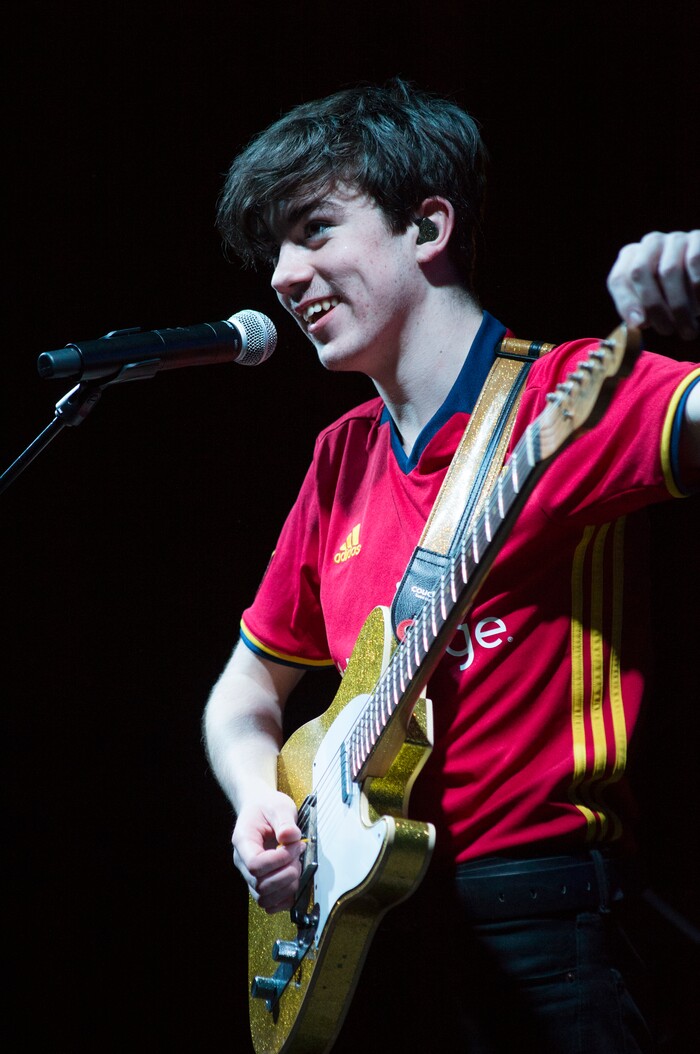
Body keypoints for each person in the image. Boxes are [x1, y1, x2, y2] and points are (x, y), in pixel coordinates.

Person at [203, 79, 699, 1053]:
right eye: (275, 252)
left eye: (314, 230)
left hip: (542, 924)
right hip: (372, 941)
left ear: (428, 226)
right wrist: (261, 797)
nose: (284, 277)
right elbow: (242, 693)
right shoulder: (340, 457)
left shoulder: (570, 399)